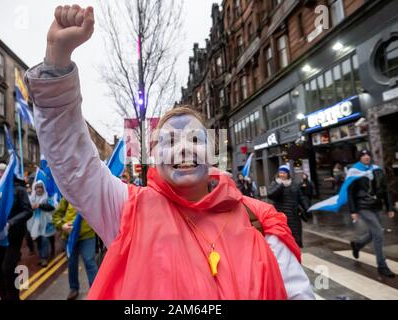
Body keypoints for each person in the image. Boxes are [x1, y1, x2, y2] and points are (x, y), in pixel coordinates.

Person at [24, 4, 314, 300]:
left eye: (195, 139)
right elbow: (74, 163)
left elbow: (298, 293)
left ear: (212, 150)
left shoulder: (258, 219)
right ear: (154, 154)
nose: (184, 148)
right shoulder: (128, 211)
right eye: (171, 141)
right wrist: (57, 62)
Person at [348, 149, 396, 278]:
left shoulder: (377, 170)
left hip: (376, 206)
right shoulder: (354, 172)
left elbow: (385, 190)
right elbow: (350, 193)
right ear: (359, 158)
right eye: (363, 155)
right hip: (363, 206)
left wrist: (390, 207)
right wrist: (353, 210)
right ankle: (382, 266)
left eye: (368, 155)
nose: (366, 157)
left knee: (375, 232)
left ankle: (357, 244)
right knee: (379, 234)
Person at [0, 163, 33, 300]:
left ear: (8, 174)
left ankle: (14, 297)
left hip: (13, 236)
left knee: (8, 269)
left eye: (2, 172)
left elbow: (28, 211)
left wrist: (10, 223)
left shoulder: (19, 189)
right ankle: (4, 297)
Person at [52, 197, 98, 300]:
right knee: (72, 263)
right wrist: (62, 225)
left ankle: (96, 289)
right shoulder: (67, 196)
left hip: (87, 235)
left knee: (89, 261)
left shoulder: (89, 195)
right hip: (70, 237)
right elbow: (56, 216)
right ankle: (74, 288)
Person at [267, 165, 310, 248]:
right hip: (281, 216)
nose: (282, 174)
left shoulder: (294, 184)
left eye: (284, 173)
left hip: (294, 216)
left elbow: (301, 197)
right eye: (280, 173)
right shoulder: (275, 183)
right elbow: (270, 195)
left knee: (296, 238)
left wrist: (307, 208)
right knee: (284, 239)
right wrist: (281, 185)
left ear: (288, 174)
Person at [27, 181, 56, 267]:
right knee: (38, 240)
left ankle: (44, 258)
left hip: (46, 222)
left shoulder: (48, 197)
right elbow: (27, 208)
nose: (39, 189)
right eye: (37, 188)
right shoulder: (31, 198)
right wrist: (32, 208)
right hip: (35, 223)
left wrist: (40, 205)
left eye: (40, 188)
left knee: (44, 239)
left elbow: (51, 207)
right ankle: (41, 256)